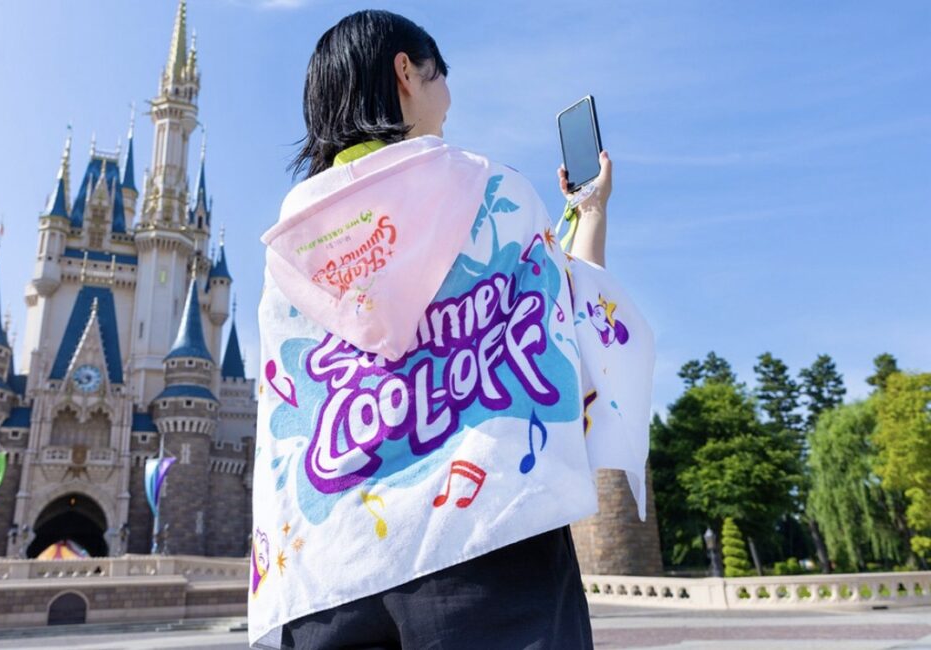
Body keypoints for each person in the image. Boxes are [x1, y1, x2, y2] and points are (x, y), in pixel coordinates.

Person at [250, 10, 654, 649]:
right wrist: (591, 210)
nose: (448, 96)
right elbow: (580, 329)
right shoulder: (490, 192)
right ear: (405, 73)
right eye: (440, 74)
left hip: (329, 575)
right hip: (488, 551)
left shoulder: (287, 254)